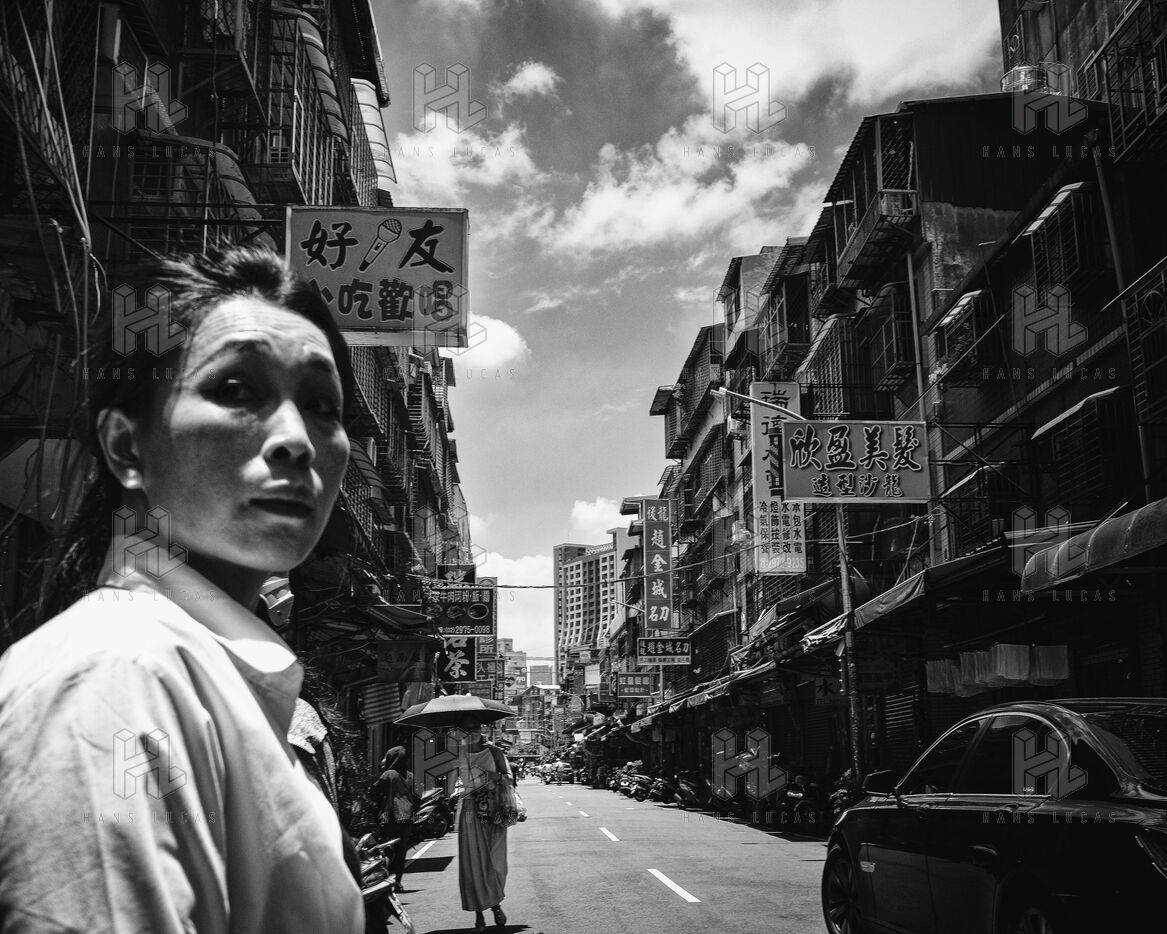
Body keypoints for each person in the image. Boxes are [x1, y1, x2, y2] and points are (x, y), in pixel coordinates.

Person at [0, 247, 363, 934]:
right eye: (237, 390)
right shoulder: (117, 680)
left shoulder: (213, 676)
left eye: (321, 405)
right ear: (126, 448)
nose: (296, 440)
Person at [453, 717, 511, 933]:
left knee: (496, 862)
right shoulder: (456, 754)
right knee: (472, 863)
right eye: (467, 729)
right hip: (470, 811)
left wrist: (490, 776)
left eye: (475, 727)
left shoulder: (495, 752)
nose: (472, 732)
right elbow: (449, 784)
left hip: (494, 809)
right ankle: (479, 916)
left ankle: (496, 904)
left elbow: (508, 778)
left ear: (481, 729)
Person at [372, 746, 417, 892]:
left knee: (385, 849)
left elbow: (375, 792)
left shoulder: (388, 774)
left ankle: (383, 881)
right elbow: (417, 796)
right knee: (401, 851)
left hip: (389, 816)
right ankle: (398, 882)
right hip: (406, 818)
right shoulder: (410, 776)